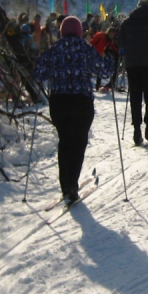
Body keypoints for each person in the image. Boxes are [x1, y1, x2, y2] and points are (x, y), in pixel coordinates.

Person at [33, 16, 114, 205]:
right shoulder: (85, 48)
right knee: (79, 142)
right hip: (81, 101)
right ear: (79, 31)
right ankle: (72, 185)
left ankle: (65, 185)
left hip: (59, 101)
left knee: (65, 141)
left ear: (61, 30)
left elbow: (39, 75)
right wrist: (109, 58)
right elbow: (104, 72)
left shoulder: (54, 49)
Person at [117, 0, 148, 145]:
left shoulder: (127, 22)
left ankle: (136, 130)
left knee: (135, 96)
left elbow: (119, 42)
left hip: (132, 64)